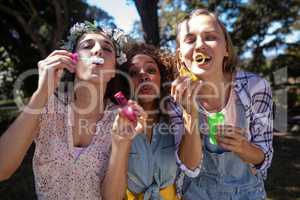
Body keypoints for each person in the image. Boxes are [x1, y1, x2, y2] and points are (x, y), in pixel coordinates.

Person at [0, 21, 130, 199]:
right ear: (73, 61)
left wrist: (121, 143)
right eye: (87, 46)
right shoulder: (46, 105)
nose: (98, 50)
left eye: (107, 48)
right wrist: (42, 93)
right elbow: (2, 170)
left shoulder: (120, 118)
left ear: (114, 69)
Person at [172, 8, 273, 199]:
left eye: (210, 37)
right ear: (180, 57)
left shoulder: (255, 88)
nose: (200, 45)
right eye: (190, 39)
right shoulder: (176, 96)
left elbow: (264, 158)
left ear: (226, 48)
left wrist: (242, 147)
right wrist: (190, 114)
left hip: (248, 193)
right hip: (196, 193)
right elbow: (190, 167)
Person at [109, 43, 202, 200]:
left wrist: (191, 112)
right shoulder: (115, 121)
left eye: (151, 70)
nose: (143, 76)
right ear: (126, 82)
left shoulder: (176, 119)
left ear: (162, 78)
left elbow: (191, 166)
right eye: (133, 72)